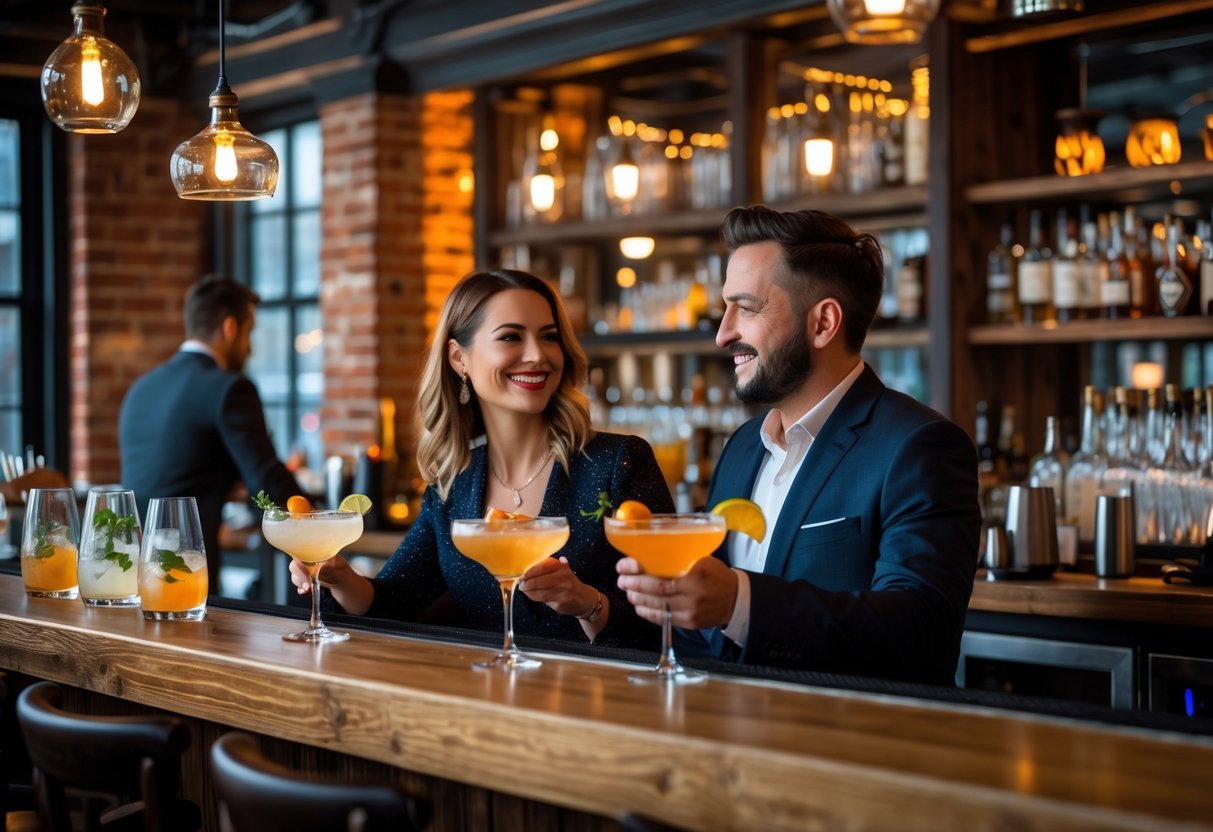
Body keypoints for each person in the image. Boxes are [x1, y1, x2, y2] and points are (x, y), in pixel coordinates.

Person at [617, 206, 981, 685]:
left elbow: (920, 630)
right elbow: (705, 633)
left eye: (746, 308)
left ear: (823, 323)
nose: (723, 333)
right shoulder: (744, 446)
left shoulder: (920, 446)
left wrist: (739, 601)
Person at [294, 269, 672, 649]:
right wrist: (340, 578)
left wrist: (588, 605)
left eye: (549, 337)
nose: (537, 355)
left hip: (599, 702)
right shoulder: (453, 485)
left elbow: (674, 626)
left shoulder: (618, 462)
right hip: (487, 700)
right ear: (459, 358)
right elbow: (395, 602)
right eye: (511, 337)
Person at [118, 275, 300, 577]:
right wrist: (322, 518)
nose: (249, 349)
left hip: (131, 570)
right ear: (230, 328)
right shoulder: (229, 389)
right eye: (249, 333)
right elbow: (267, 482)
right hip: (185, 573)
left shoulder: (141, 388)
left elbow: (178, 466)